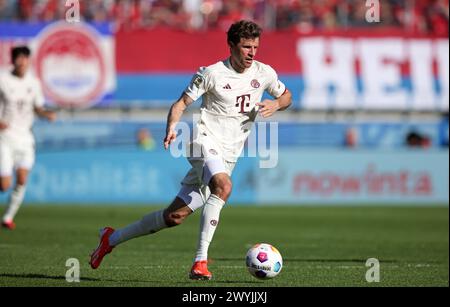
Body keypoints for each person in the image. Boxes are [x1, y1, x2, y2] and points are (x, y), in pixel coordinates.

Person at [89, 20, 292, 280]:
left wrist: (276, 104)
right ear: (231, 46)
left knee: (174, 216)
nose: (252, 53)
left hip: (228, 155)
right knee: (224, 187)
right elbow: (180, 103)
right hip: (203, 142)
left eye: (255, 47)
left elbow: (287, 96)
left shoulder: (264, 73)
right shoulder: (211, 73)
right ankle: (200, 262)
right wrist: (172, 127)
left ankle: (111, 238)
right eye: (246, 47)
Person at [0, 46, 57, 230]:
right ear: (13, 60)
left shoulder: (34, 82)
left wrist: (46, 113)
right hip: (5, 138)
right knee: (4, 185)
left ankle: (8, 217)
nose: (22, 61)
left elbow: (37, 106)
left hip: (25, 138)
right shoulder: (3, 79)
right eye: (19, 58)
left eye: (25, 58)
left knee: (22, 179)